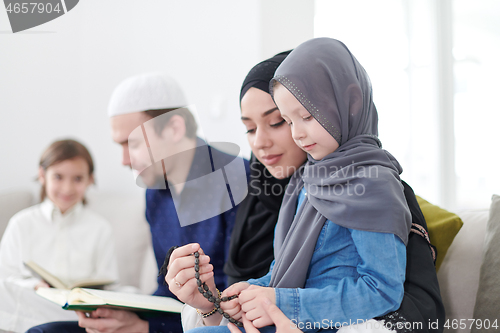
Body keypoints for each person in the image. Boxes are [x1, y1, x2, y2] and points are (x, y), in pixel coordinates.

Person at [168, 38, 444, 333]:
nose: (260, 142)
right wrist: (220, 302)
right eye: (249, 128)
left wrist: (279, 303)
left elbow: (397, 302)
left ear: (345, 105)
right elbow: (278, 276)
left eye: (277, 122)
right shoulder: (297, 187)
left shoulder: (374, 186)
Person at [27, 73, 248, 333]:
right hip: (171, 319)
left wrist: (145, 326)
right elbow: (168, 291)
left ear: (174, 129)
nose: (123, 160)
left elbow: (239, 297)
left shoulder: (239, 179)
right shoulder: (154, 191)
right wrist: (119, 311)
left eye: (131, 143)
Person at [0, 139, 119, 332]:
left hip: (78, 310)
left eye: (78, 179)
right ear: (42, 175)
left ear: (90, 179)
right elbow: (5, 278)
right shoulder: (21, 223)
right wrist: (34, 286)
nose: (67, 188)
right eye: (58, 177)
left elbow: (109, 282)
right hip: (34, 302)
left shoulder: (100, 228)